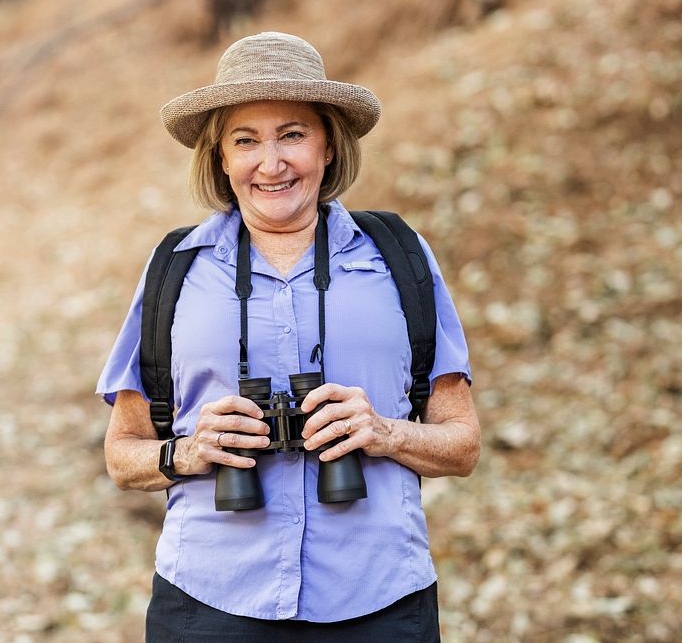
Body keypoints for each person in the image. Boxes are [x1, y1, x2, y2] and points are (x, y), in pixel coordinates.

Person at [97, 31, 480, 642]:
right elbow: (122, 455)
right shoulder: (176, 270)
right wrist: (192, 451)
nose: (270, 164)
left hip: (377, 596)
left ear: (329, 146)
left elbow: (462, 444)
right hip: (210, 598)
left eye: (293, 135)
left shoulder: (398, 259)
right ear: (220, 159)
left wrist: (382, 432)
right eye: (244, 140)